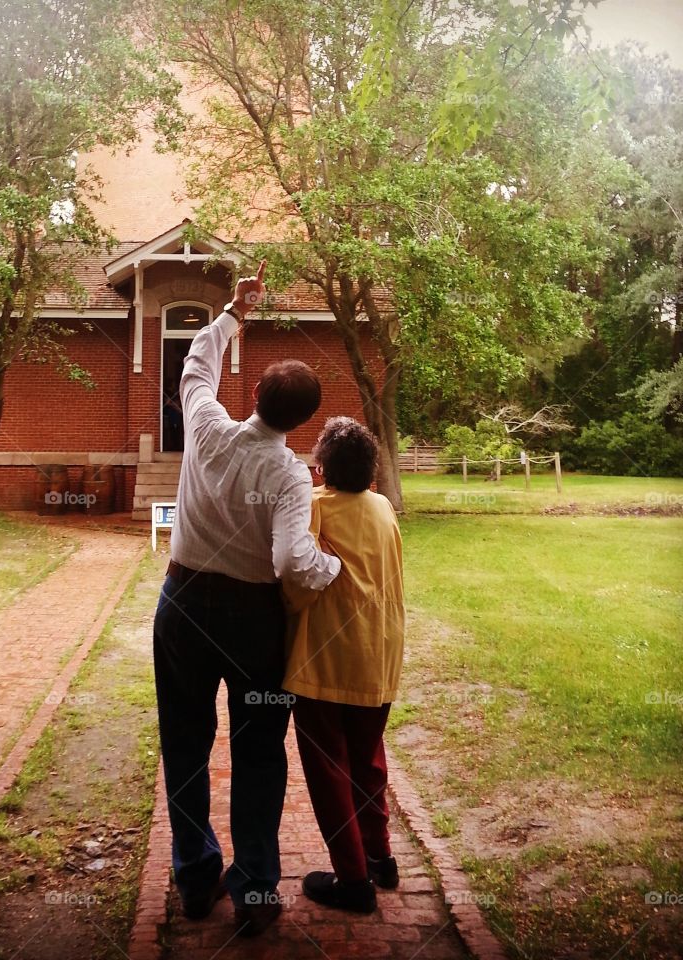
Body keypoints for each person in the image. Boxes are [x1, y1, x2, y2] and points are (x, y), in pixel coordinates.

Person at [153, 261, 341, 937]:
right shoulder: (290, 473)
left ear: (254, 393)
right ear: (304, 418)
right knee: (259, 750)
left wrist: (235, 311)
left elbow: (197, 363)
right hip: (254, 622)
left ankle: (195, 876)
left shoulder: (205, 426)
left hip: (182, 604)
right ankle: (257, 889)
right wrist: (333, 569)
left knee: (184, 741)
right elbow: (294, 560)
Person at [282, 417, 406, 914]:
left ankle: (352, 879)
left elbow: (296, 582)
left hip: (326, 663)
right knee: (368, 759)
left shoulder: (314, 506)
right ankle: (380, 856)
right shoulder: (383, 508)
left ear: (322, 468)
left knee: (329, 768)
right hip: (379, 656)